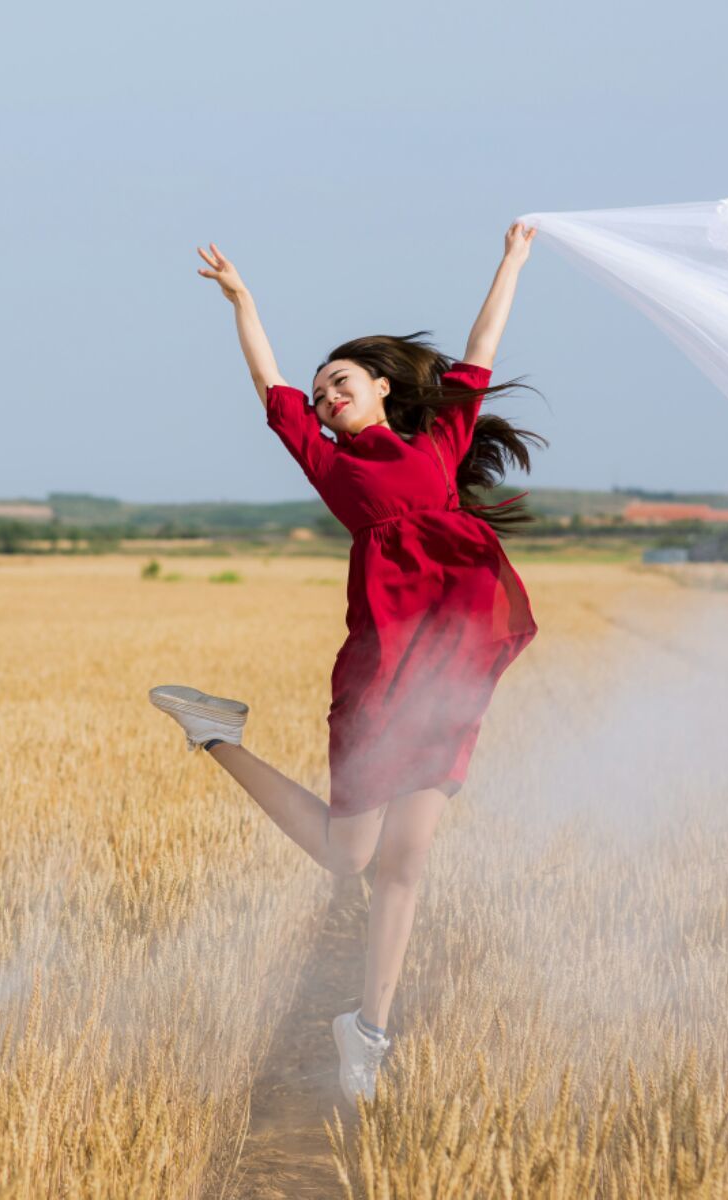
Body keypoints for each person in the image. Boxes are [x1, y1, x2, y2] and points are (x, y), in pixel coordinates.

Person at [150, 222, 544, 1103]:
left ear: (381, 390)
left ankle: (366, 1032)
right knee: (346, 855)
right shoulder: (328, 466)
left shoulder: (439, 440)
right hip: (379, 664)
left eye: (342, 382)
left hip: (450, 667)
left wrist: (510, 260)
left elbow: (480, 349)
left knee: (404, 862)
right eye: (321, 387)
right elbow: (270, 383)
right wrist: (244, 302)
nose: (325, 395)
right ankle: (216, 734)